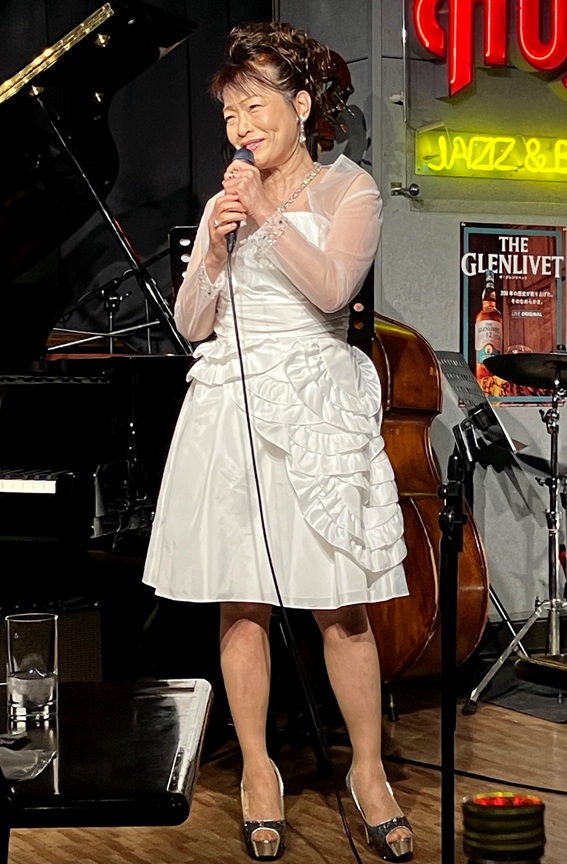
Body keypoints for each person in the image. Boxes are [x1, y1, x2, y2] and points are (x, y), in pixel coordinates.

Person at [143, 20, 412, 863]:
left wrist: (268, 214)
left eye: (253, 107)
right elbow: (192, 324)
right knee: (242, 601)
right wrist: (215, 250)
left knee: (340, 608)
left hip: (313, 405)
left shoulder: (349, 191)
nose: (240, 126)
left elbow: (334, 289)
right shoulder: (224, 202)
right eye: (230, 113)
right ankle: (258, 771)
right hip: (232, 406)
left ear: (298, 105)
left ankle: (368, 771)